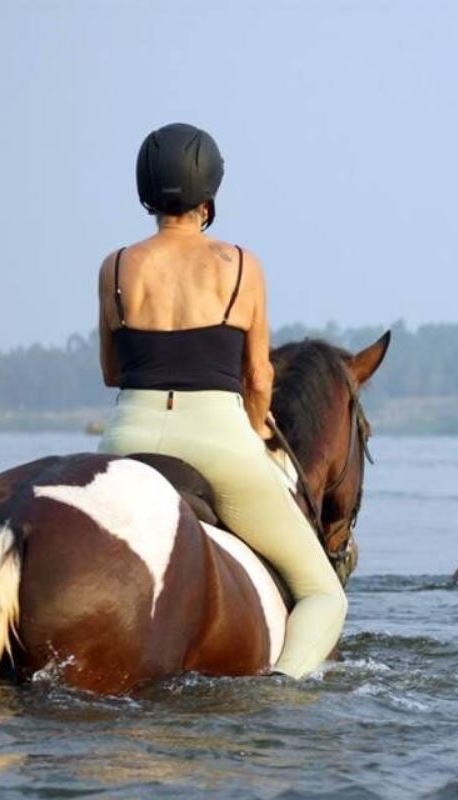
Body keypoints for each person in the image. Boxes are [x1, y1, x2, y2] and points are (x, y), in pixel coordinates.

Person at [96, 122, 345, 678]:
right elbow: (258, 377)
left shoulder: (113, 266)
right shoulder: (241, 265)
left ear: (144, 194)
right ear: (210, 196)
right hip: (216, 440)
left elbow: (113, 371)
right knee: (323, 593)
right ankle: (281, 688)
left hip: (128, 437)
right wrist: (256, 432)